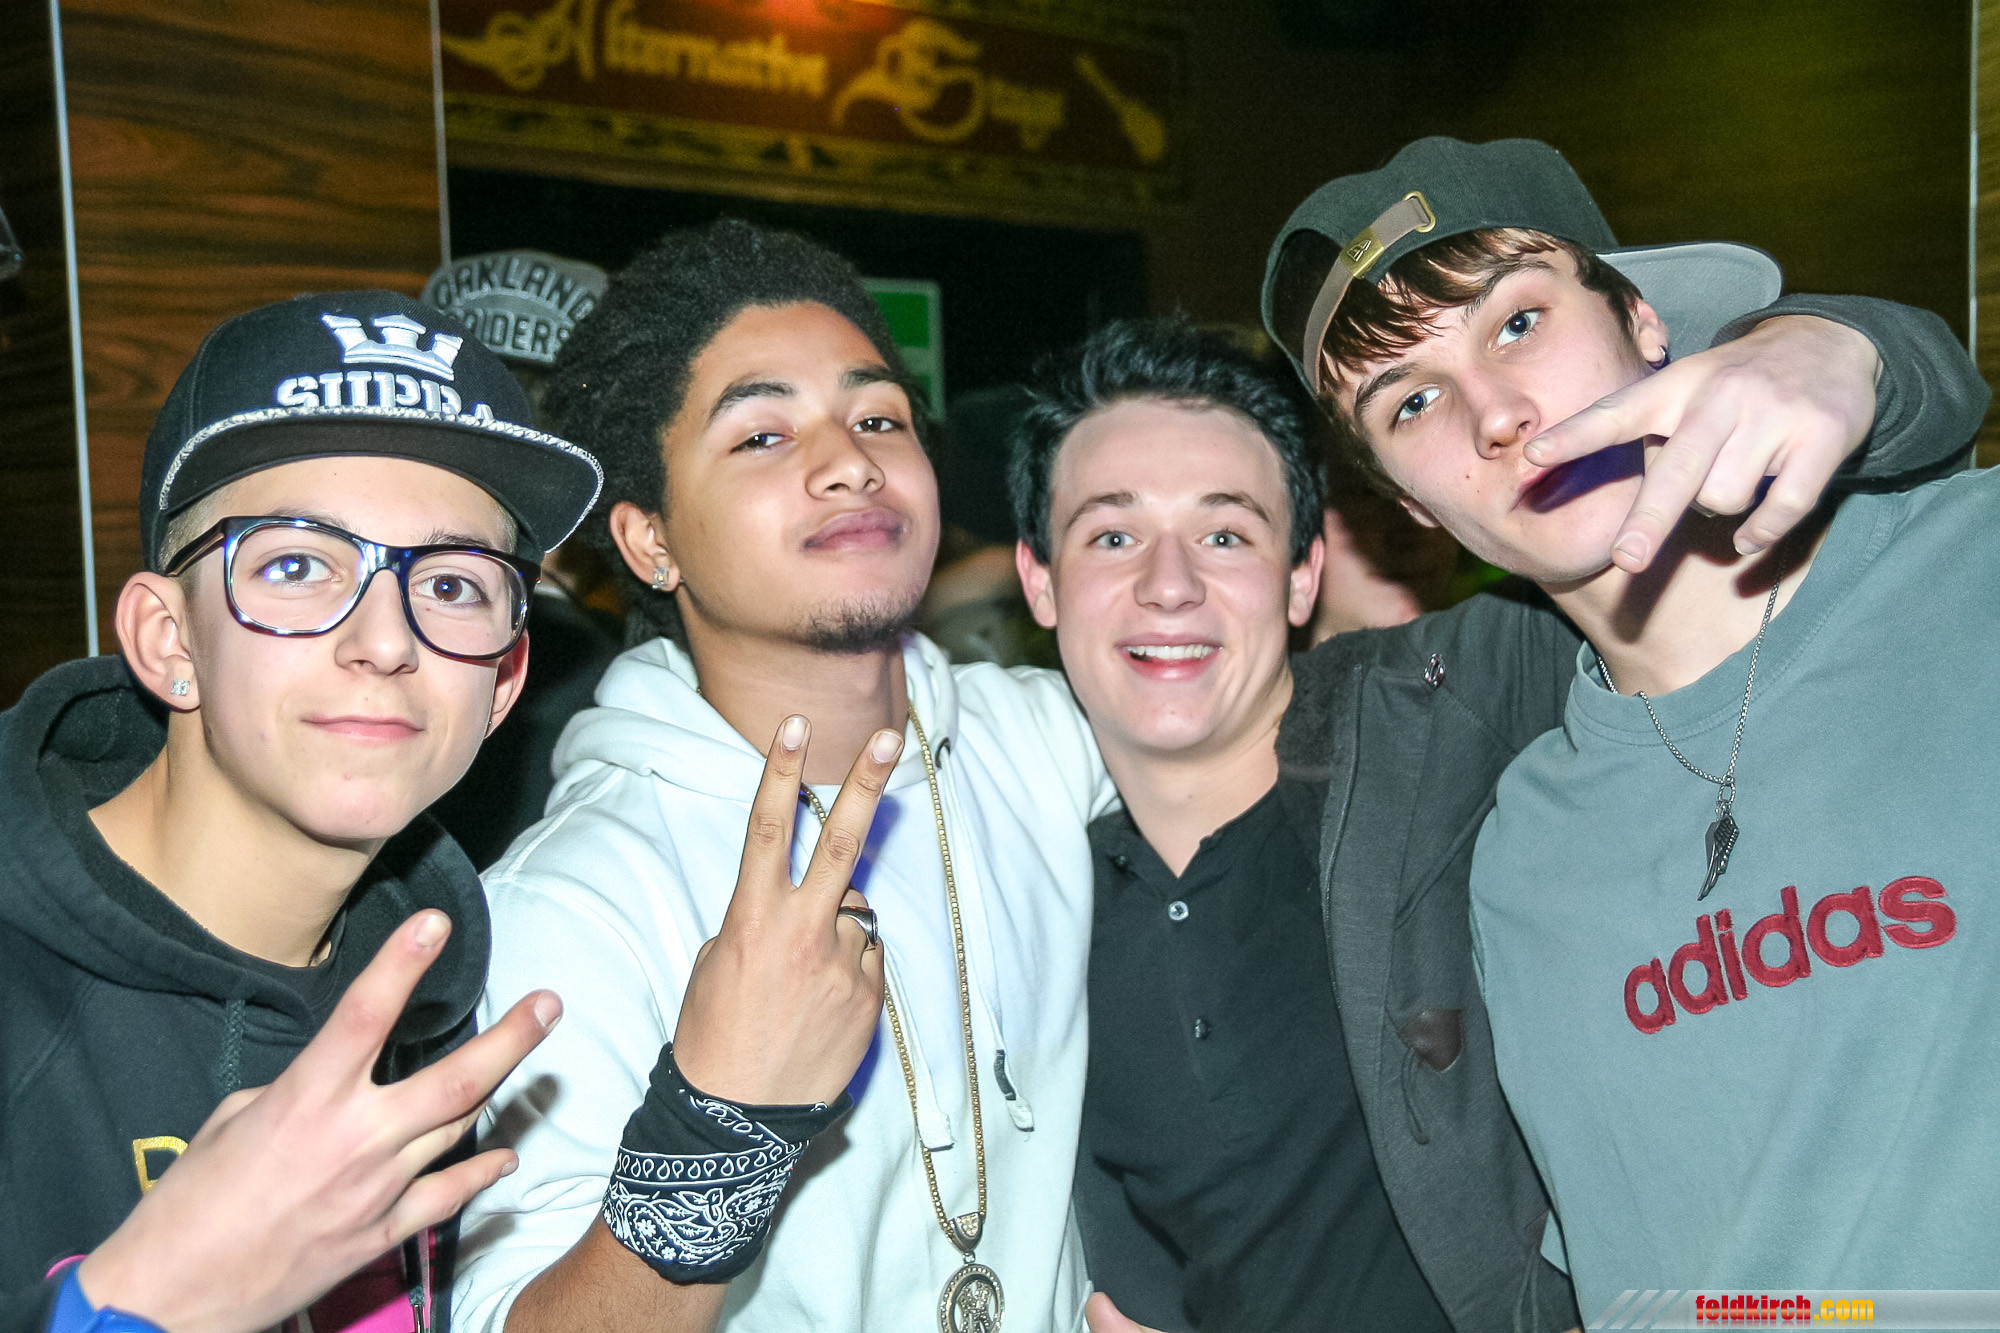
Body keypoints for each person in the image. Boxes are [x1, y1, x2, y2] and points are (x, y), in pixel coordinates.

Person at [1009, 278, 1982, 1330]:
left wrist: (1829, 343)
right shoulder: (1033, 900)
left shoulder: (1454, 708)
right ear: (1037, 580)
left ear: (1303, 576)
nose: (1168, 586)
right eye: (1112, 537)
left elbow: (1659, 515)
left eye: (1226, 535)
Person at [1280, 136, 1996, 1321]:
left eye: (1516, 323)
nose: (1495, 415)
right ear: (1414, 504)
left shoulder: (1967, 573)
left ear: (1644, 323)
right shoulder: (1515, 865)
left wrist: (1845, 343)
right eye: (1411, 401)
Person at [452, 219, 1110, 1333]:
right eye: (761, 435)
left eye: (878, 417)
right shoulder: (573, 898)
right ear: (650, 541)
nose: (851, 459)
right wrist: (723, 1122)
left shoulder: (1054, 739)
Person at [0, 291, 603, 1333]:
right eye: (295, 565)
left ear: (503, 683)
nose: (386, 641)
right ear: (169, 640)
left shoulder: (439, 1004)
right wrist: (142, 1305)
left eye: (453, 585)